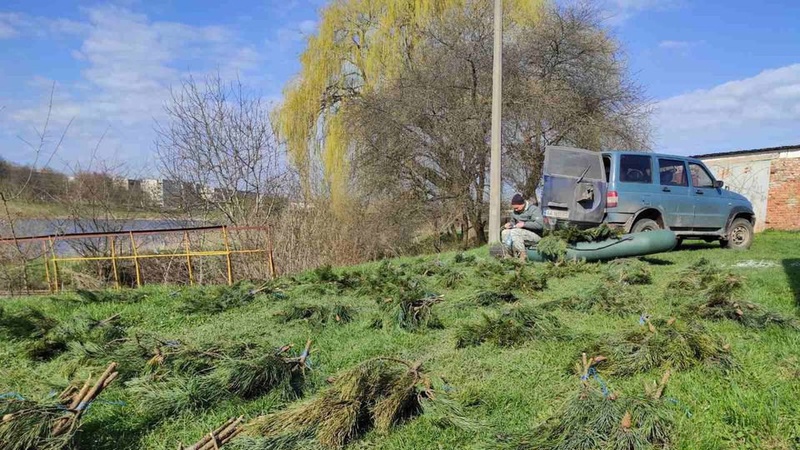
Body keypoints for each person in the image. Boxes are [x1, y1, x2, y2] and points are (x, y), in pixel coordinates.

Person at [501, 193, 544, 261]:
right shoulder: (515, 212)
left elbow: (540, 225)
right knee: (505, 232)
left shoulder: (534, 210)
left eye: (517, 208)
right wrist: (508, 225)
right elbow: (513, 222)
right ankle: (508, 255)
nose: (516, 210)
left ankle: (523, 256)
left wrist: (524, 224)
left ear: (523, 204)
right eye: (514, 208)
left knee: (515, 231)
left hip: (535, 236)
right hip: (519, 234)